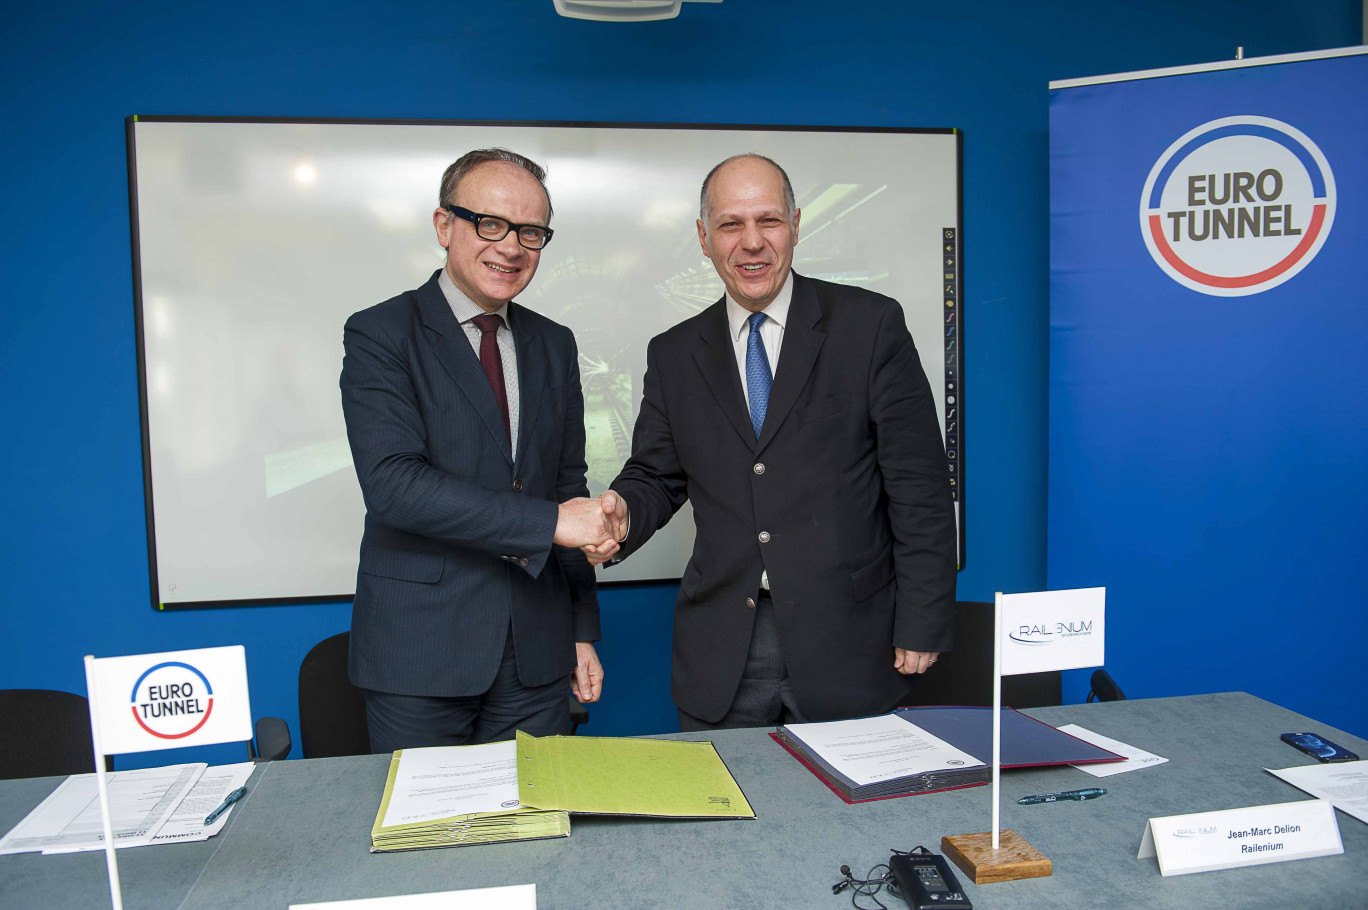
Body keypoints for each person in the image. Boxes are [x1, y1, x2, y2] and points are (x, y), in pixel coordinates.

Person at [591, 153, 957, 731]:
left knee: (854, 821)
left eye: (769, 221)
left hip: (852, 641)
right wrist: (622, 513)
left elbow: (920, 486)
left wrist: (923, 618)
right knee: (728, 817)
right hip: (722, 651)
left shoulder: (870, 325)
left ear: (796, 222)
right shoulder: (673, 352)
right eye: (731, 225)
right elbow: (657, 474)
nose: (752, 242)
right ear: (704, 238)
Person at [340, 148, 616, 752]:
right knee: (430, 837)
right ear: (444, 226)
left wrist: (579, 629)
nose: (511, 247)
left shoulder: (554, 343)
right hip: (421, 654)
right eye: (489, 224)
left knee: (535, 831)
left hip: (537, 654)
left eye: (531, 232)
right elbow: (394, 487)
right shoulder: (380, 333)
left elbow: (566, 482)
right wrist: (552, 522)